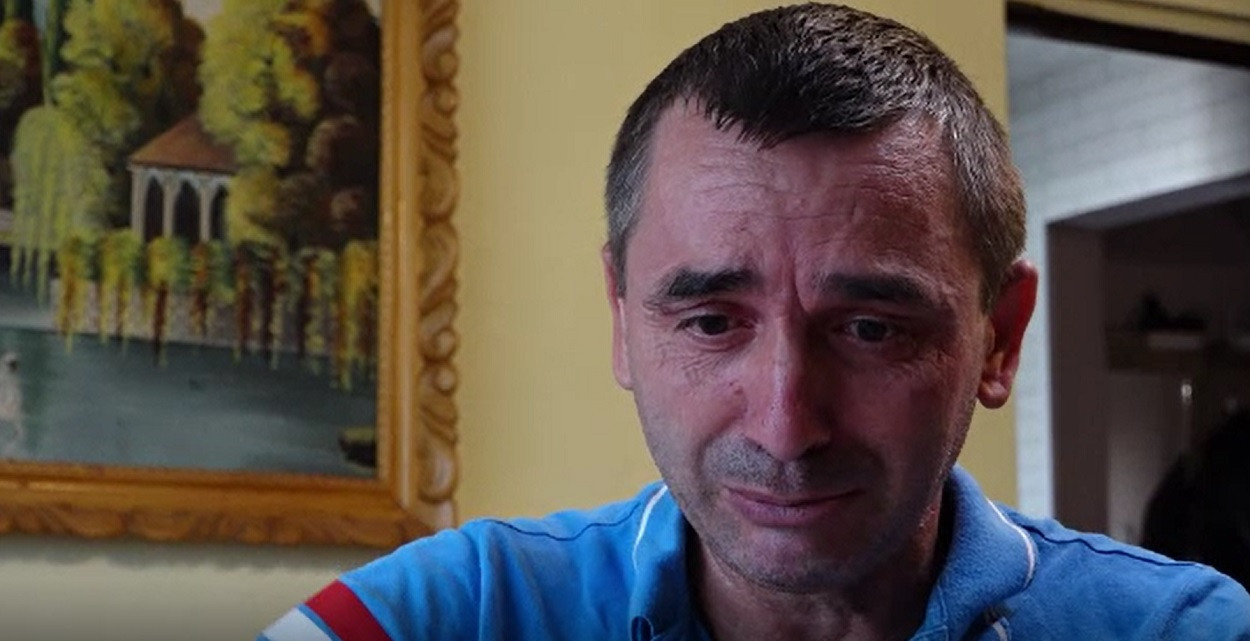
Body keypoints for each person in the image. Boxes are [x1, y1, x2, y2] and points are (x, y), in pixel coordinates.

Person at [258, 4, 1250, 640]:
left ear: (999, 335)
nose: (785, 426)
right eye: (709, 321)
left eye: (870, 327)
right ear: (622, 320)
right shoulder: (452, 612)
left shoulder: (1182, 628)